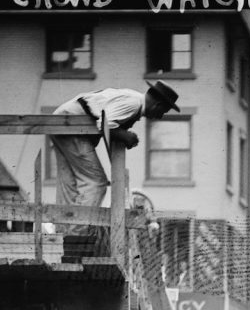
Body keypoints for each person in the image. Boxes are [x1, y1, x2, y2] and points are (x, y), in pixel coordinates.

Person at [51, 82, 180, 229]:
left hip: (63, 120)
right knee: (96, 183)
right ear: (158, 104)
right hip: (71, 122)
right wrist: (125, 136)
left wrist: (122, 135)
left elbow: (107, 123)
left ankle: (64, 233)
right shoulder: (133, 103)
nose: (161, 116)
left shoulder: (132, 98)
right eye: (164, 111)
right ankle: (77, 234)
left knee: (70, 182)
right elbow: (105, 124)